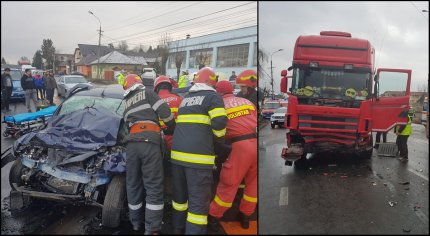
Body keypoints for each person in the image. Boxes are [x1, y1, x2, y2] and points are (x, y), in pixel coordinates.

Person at [171, 67, 228, 234]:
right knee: (198, 206)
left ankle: (177, 228)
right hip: (198, 160)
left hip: (177, 158)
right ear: (212, 82)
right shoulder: (213, 97)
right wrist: (219, 142)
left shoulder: (186, 99)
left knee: (180, 200)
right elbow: (219, 124)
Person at [122, 74, 175, 234]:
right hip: (149, 142)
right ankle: (151, 228)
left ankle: (136, 223)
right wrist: (172, 127)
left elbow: (126, 125)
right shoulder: (148, 93)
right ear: (139, 83)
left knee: (133, 183)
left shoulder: (125, 103)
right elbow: (165, 112)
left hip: (131, 144)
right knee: (153, 185)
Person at [208, 80, 257, 231]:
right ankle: (246, 216)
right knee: (253, 183)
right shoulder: (246, 102)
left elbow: (215, 130)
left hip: (238, 146)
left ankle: (214, 217)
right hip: (255, 142)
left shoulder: (218, 104)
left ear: (218, 92)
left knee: (229, 183)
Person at [154, 75, 182, 150]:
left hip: (160, 140)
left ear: (156, 88)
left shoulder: (154, 101)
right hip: (178, 138)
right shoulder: (179, 99)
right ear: (170, 87)